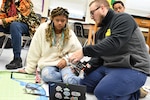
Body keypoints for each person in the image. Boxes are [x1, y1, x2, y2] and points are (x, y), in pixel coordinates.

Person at [69, 0, 150, 99]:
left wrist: (84, 51)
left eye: (92, 12)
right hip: (111, 66)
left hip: (133, 68)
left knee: (102, 93)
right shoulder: (101, 31)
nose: (91, 16)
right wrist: (85, 67)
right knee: (84, 85)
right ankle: (122, 87)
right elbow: (100, 55)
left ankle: (135, 93)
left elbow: (114, 43)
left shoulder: (124, 19)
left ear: (102, 8)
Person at [18, 7, 82, 84]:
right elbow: (34, 50)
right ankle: (67, 79)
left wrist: (66, 60)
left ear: (66, 21)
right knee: (46, 76)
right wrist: (29, 69)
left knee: (70, 81)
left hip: (65, 65)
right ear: (52, 19)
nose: (60, 23)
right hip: (48, 64)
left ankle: (69, 79)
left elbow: (78, 51)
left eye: (63, 21)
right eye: (57, 20)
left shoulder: (70, 33)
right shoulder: (42, 29)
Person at [0, 0, 40, 69]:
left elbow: (20, 17)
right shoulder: (6, 2)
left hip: (28, 25)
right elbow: (2, 15)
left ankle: (17, 59)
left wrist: (3, 21)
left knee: (14, 25)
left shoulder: (25, 2)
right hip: (11, 24)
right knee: (13, 25)